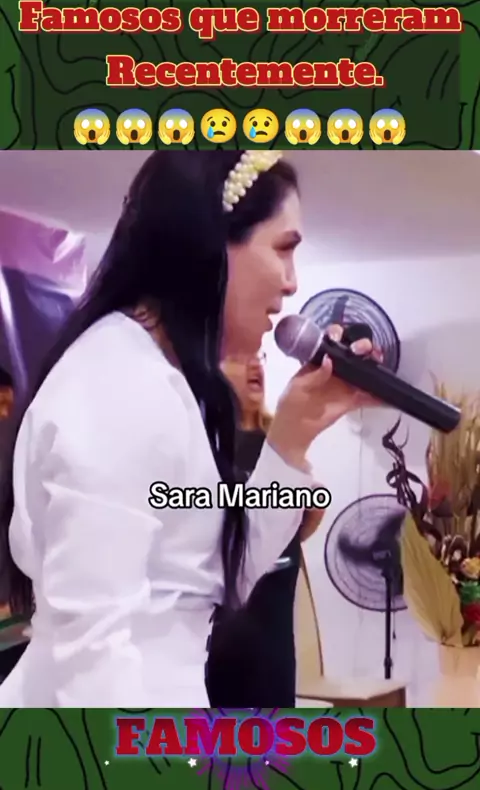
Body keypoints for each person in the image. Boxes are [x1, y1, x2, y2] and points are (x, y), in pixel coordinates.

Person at [0, 150, 376, 707]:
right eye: (283, 248)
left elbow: (224, 576)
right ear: (210, 243)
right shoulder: (118, 385)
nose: (292, 283)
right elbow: (94, 658)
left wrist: (294, 434)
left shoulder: (159, 378)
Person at [206, 351, 324, 707]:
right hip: (218, 642)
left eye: (259, 357)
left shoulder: (280, 442)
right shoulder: (206, 443)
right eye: (241, 358)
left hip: (273, 638)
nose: (255, 365)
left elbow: (305, 516)